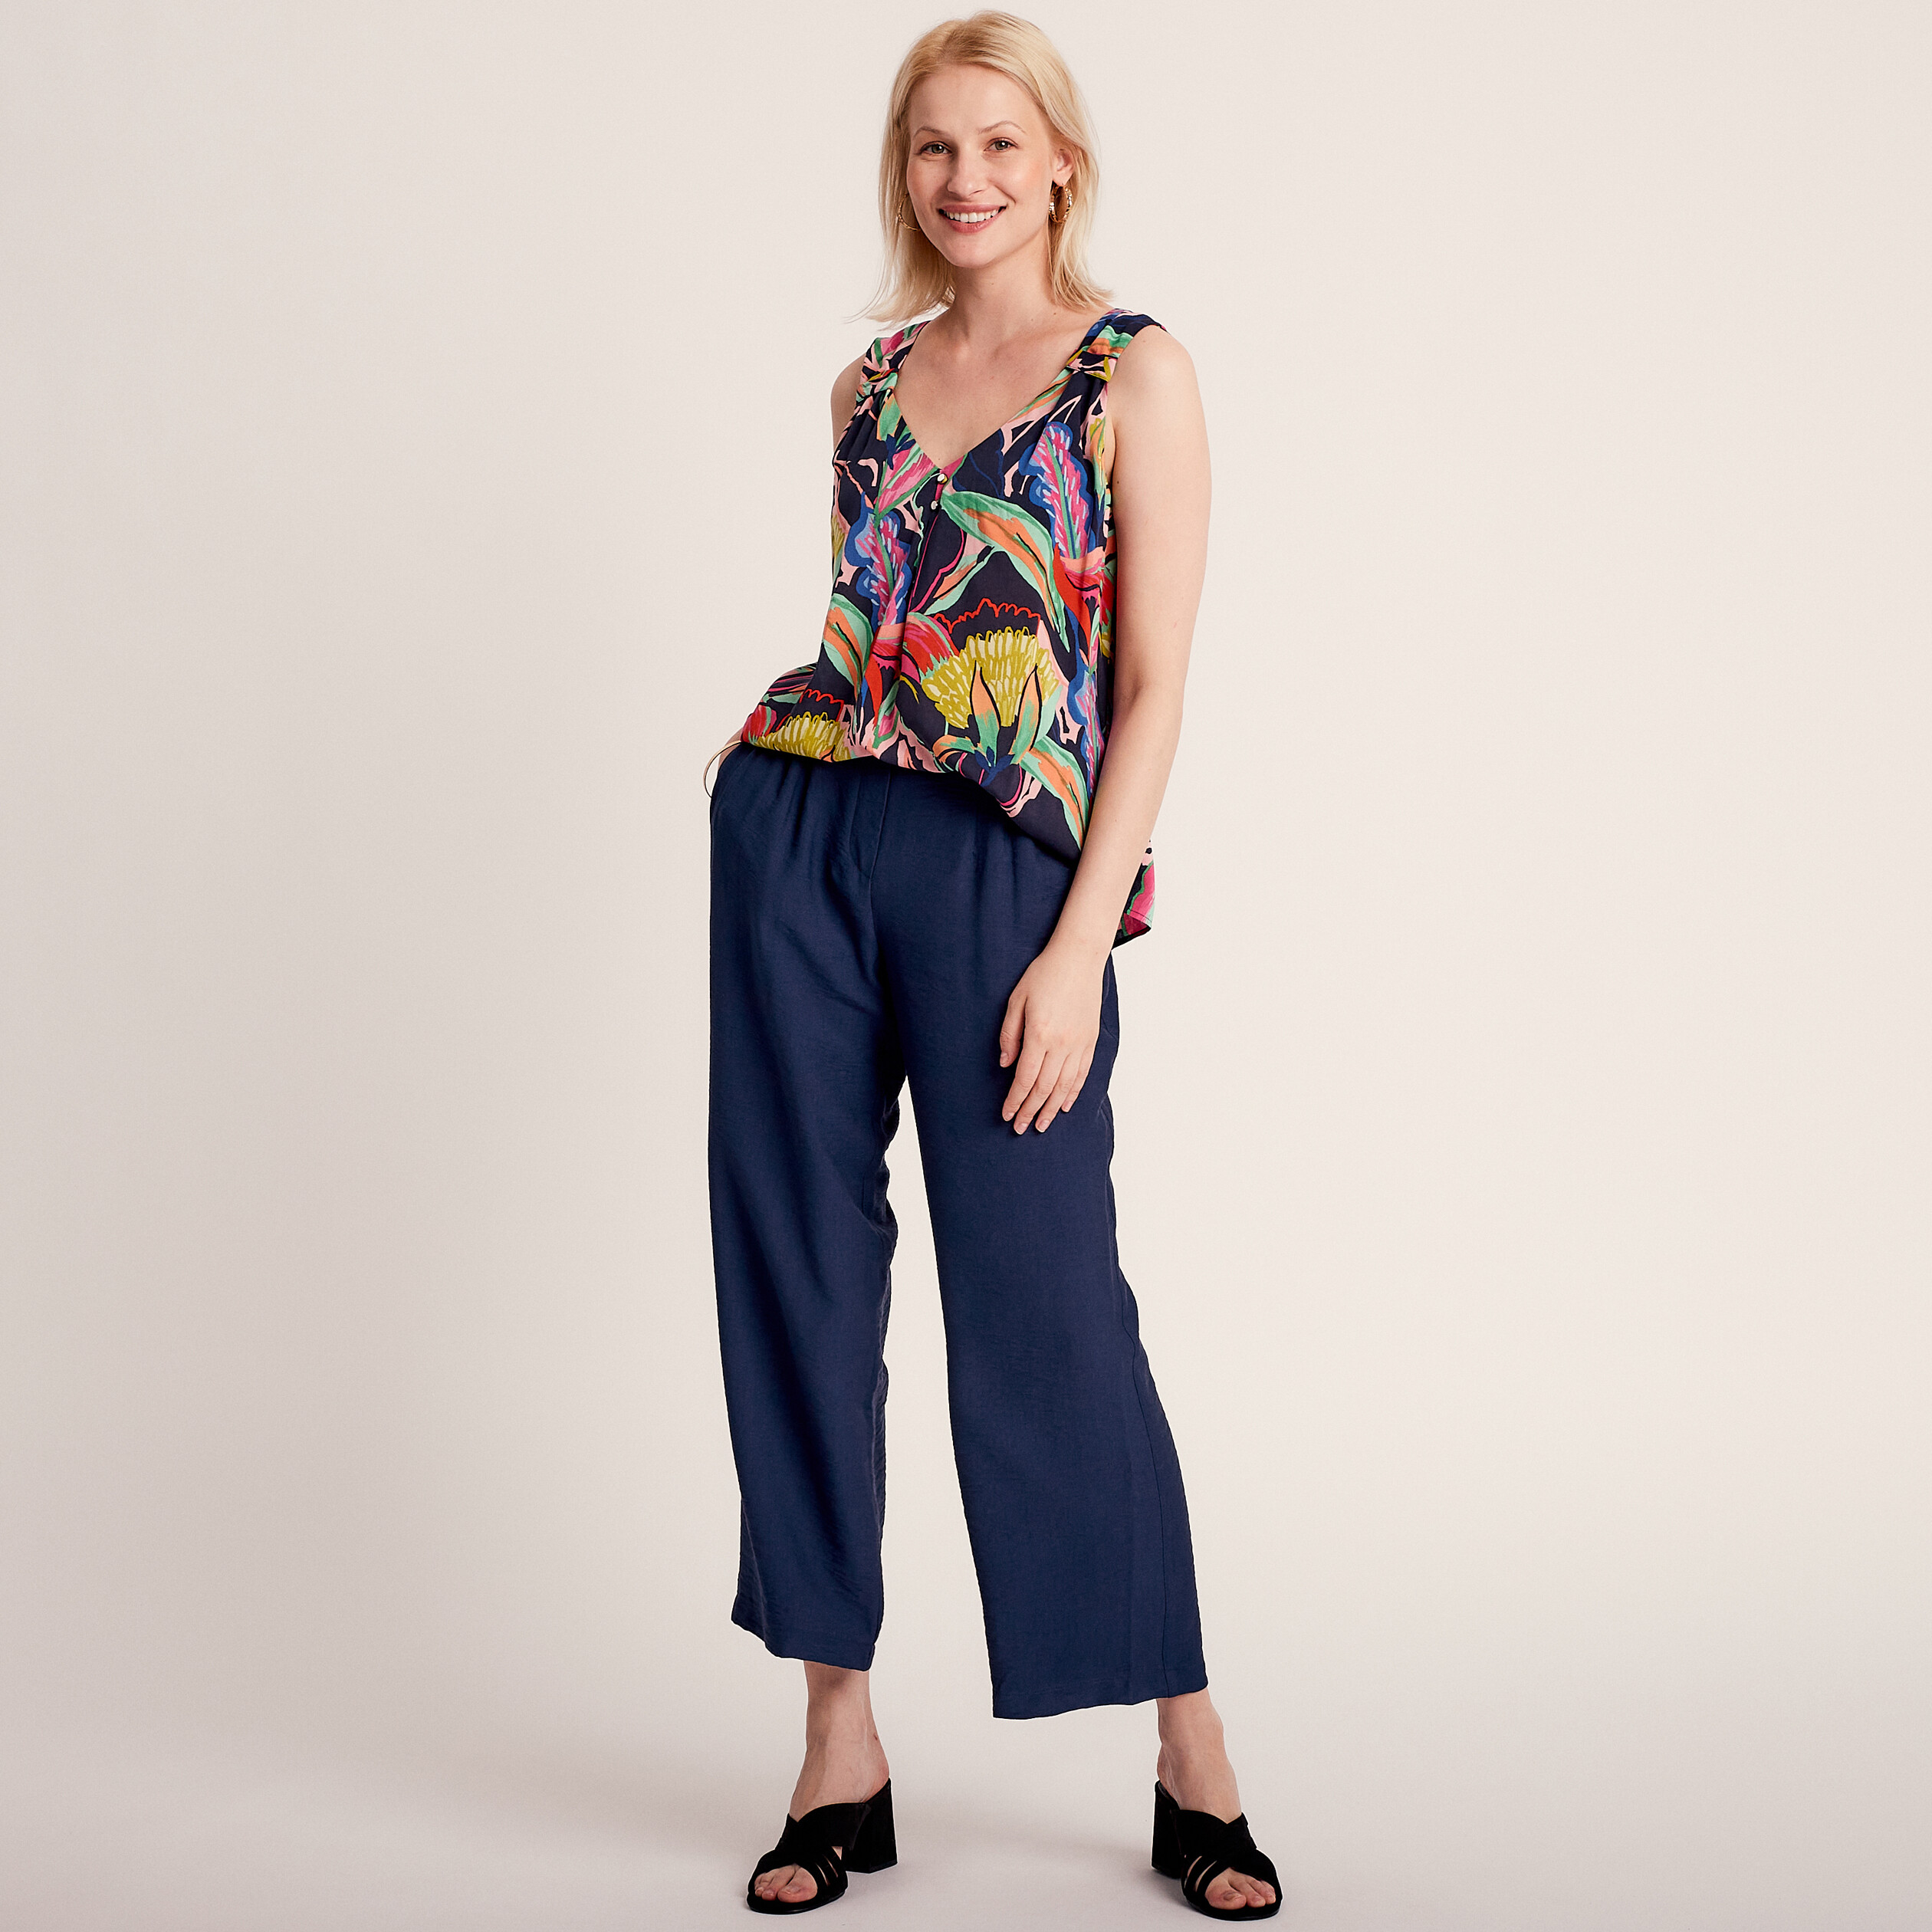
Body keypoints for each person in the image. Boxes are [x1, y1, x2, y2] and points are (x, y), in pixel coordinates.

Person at [703, 11, 1280, 1918]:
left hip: (1006, 877)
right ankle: (838, 1744)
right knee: (795, 1267)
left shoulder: (1134, 373)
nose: (966, 178)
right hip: (806, 837)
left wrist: (1081, 947)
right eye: (934, 147)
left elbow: (1153, 686)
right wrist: (765, 785)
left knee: (1048, 1304)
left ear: (1060, 165)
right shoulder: (868, 383)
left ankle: (1188, 1744)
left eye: (1000, 144)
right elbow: (876, 629)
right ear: (908, 170)